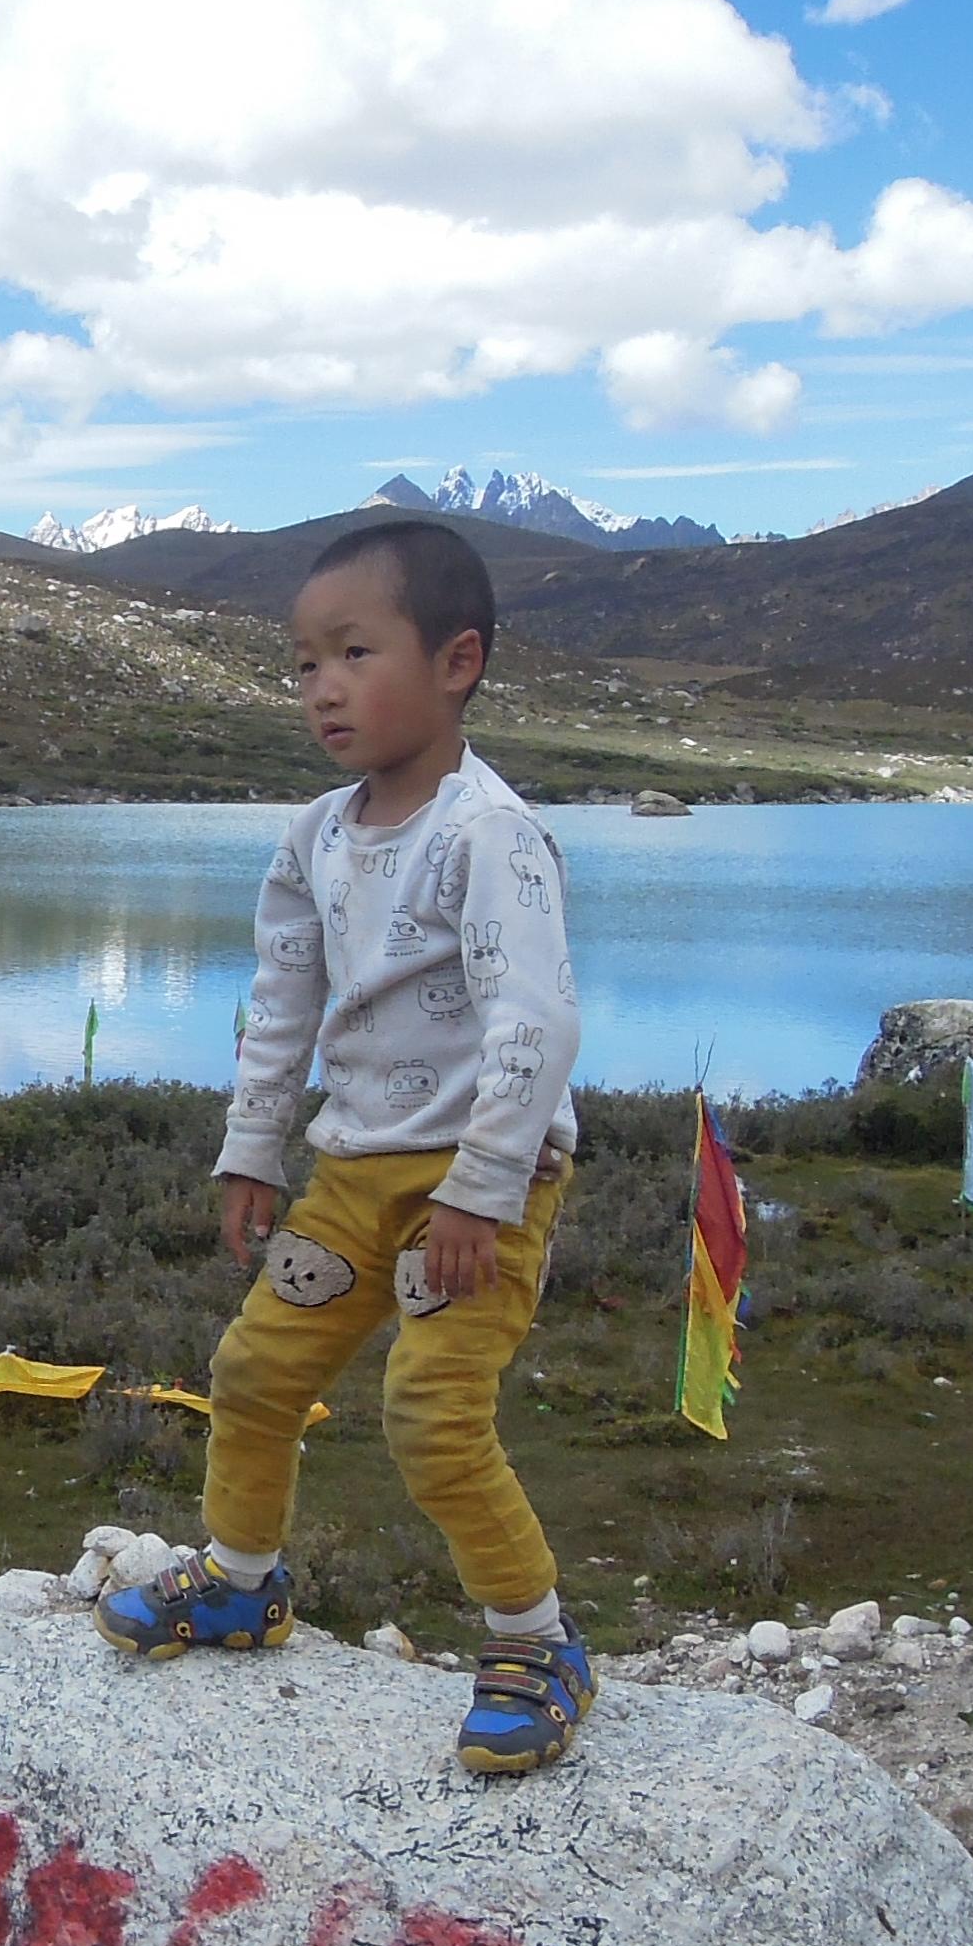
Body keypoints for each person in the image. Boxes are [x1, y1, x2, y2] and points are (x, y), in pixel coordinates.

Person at [98, 518, 591, 1775]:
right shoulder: (314, 836)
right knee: (256, 1371)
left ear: (457, 660)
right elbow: (283, 1005)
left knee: (431, 1412)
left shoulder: (491, 835)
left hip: (478, 1187)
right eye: (303, 662)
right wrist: (254, 1149)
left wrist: (481, 1190)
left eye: (354, 652)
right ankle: (243, 1584)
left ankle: (536, 1640)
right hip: (353, 1173)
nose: (322, 687)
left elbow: (533, 1021)